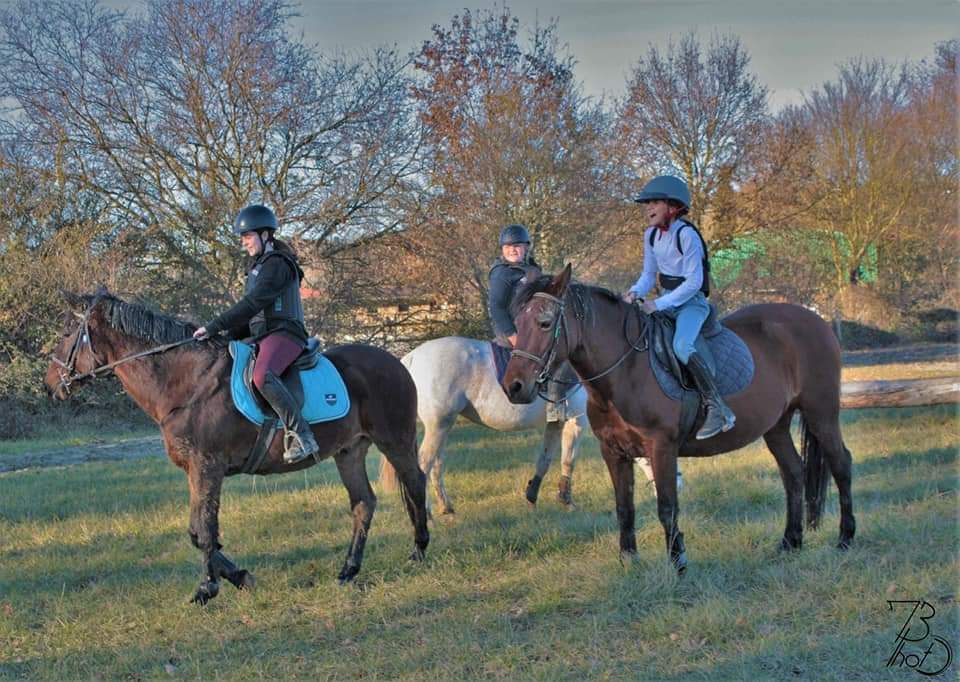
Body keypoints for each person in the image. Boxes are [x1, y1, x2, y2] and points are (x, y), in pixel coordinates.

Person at [193, 204, 319, 464]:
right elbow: (252, 316)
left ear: (265, 235)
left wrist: (215, 325)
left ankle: (302, 435)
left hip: (286, 333)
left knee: (262, 375)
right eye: (243, 238)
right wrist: (223, 337)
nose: (244, 243)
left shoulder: (277, 265)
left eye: (247, 237)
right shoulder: (256, 268)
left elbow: (253, 304)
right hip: (262, 335)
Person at [623, 176, 736, 440]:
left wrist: (658, 304)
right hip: (666, 299)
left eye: (654, 202)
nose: (647, 207)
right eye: (646, 203)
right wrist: (634, 293)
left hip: (691, 303)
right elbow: (648, 275)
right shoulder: (650, 235)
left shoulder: (687, 236)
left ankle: (717, 407)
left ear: (672, 206)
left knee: (682, 346)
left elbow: (694, 282)